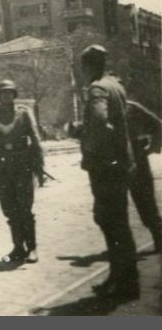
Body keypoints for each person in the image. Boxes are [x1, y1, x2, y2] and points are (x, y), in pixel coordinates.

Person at [68, 45, 139, 300]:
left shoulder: (97, 89)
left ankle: (125, 283)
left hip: (105, 167)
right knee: (118, 223)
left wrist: (81, 134)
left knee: (110, 222)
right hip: (120, 163)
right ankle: (122, 278)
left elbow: (100, 122)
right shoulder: (115, 85)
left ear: (87, 66)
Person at [0, 79, 46, 264]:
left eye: (10, 93)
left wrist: (39, 167)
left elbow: (35, 140)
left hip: (22, 166)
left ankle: (32, 248)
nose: (7, 96)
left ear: (14, 95)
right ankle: (18, 248)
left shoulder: (24, 113)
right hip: (2, 168)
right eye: (3, 93)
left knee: (25, 208)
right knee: (9, 209)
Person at [126, 99, 162, 252]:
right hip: (114, 163)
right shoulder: (100, 108)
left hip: (137, 160)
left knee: (146, 204)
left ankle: (159, 237)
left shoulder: (131, 108)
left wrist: (152, 148)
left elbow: (158, 125)